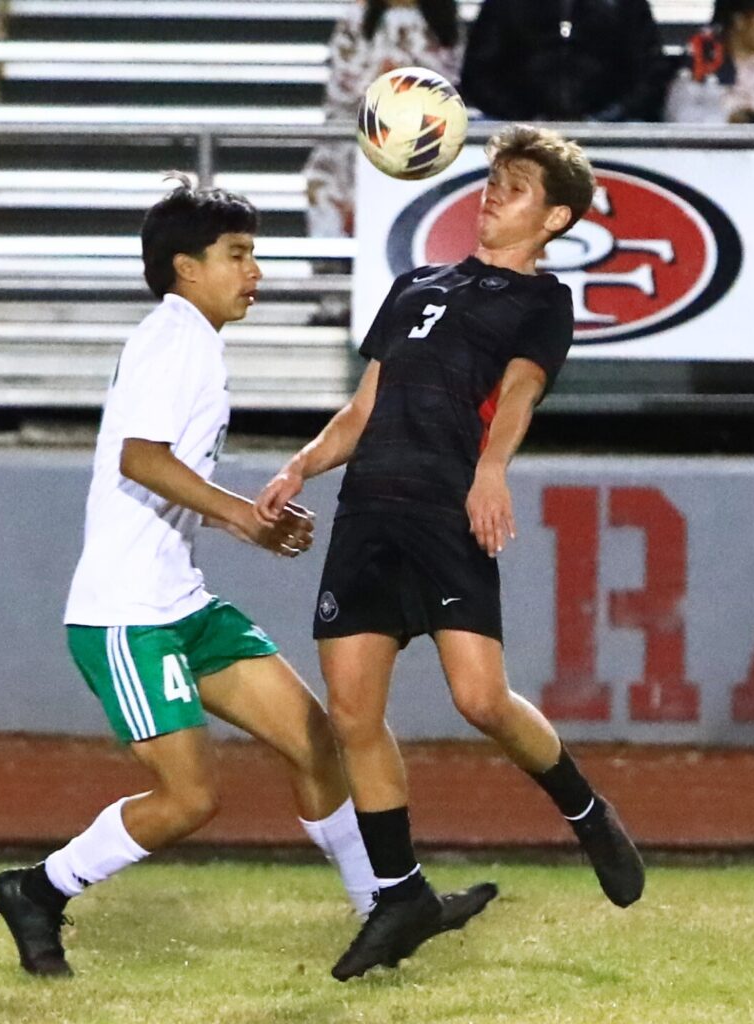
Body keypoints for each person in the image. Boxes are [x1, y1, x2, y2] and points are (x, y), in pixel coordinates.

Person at [0, 177, 490, 980]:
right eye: (238, 255)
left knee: (318, 741)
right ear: (186, 268)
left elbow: (159, 475)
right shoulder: (173, 337)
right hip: (126, 616)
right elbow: (139, 459)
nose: (254, 271)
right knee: (189, 800)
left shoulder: (193, 338)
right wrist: (245, 517)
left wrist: (240, 525)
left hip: (181, 602)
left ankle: (386, 910)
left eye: (254, 253)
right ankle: (37, 889)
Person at [256, 124, 645, 982]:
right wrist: (301, 463)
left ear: (555, 219)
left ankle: (585, 811)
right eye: (493, 179)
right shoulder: (413, 284)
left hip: (445, 510)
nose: (494, 193)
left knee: (480, 699)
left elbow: (518, 393)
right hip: (368, 514)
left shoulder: (542, 304)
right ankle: (401, 896)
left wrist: (492, 472)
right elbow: (365, 406)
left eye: (516, 186)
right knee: (352, 716)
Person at [306, 0, 463, 239]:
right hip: (356, 127)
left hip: (420, 132)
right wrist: (379, 81)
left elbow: (451, 77)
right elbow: (342, 77)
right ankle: (334, 261)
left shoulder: (442, 17)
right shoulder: (357, 15)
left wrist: (405, 85)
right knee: (324, 177)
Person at [459, 0, 669, 122]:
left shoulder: (626, 4)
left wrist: (608, 118)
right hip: (517, 132)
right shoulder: (506, 4)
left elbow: (651, 73)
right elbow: (478, 72)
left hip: (614, 131)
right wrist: (524, 117)